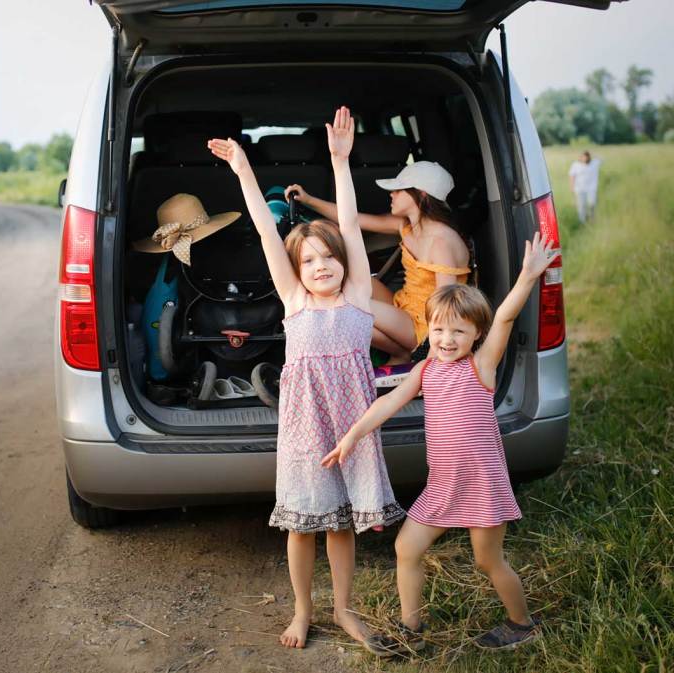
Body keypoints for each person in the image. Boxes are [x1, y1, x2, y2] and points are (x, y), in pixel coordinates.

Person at [207, 106, 404, 653]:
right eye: (310, 260)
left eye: (329, 258)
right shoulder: (295, 301)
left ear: (344, 263)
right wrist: (245, 172)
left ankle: (344, 610)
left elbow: (348, 225)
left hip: (353, 427)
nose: (321, 266)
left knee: (341, 524)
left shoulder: (358, 297)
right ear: (298, 271)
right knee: (303, 525)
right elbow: (270, 233)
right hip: (304, 429)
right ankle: (302, 610)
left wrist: (341, 163)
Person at [323, 233, 559, 655]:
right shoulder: (427, 369)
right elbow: (391, 402)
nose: (446, 339)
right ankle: (411, 628)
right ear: (427, 329)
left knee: (489, 561)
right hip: (444, 483)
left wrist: (527, 276)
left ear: (476, 335)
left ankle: (522, 623)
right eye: (437, 329)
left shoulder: (481, 367)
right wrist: (352, 435)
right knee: (406, 547)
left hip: (482, 483)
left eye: (458, 331)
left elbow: (504, 317)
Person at [285, 160, 470, 364]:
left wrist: (432, 361)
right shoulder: (406, 226)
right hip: (404, 306)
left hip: (426, 327)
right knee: (344, 279)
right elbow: (353, 219)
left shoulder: (441, 241)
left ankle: (403, 354)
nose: (392, 194)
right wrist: (309, 200)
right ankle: (399, 353)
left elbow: (447, 305)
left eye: (399, 190)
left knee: (348, 304)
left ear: (421, 194)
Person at [568, 150, 601, 223]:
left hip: (591, 189)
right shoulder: (575, 165)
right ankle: (582, 221)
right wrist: (572, 187)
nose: (585, 159)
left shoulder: (594, 163)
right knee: (581, 206)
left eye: (586, 157)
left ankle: (592, 218)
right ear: (580, 157)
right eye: (583, 157)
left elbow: (601, 158)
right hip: (580, 189)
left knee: (592, 203)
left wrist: (593, 154)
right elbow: (572, 176)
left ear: (589, 157)